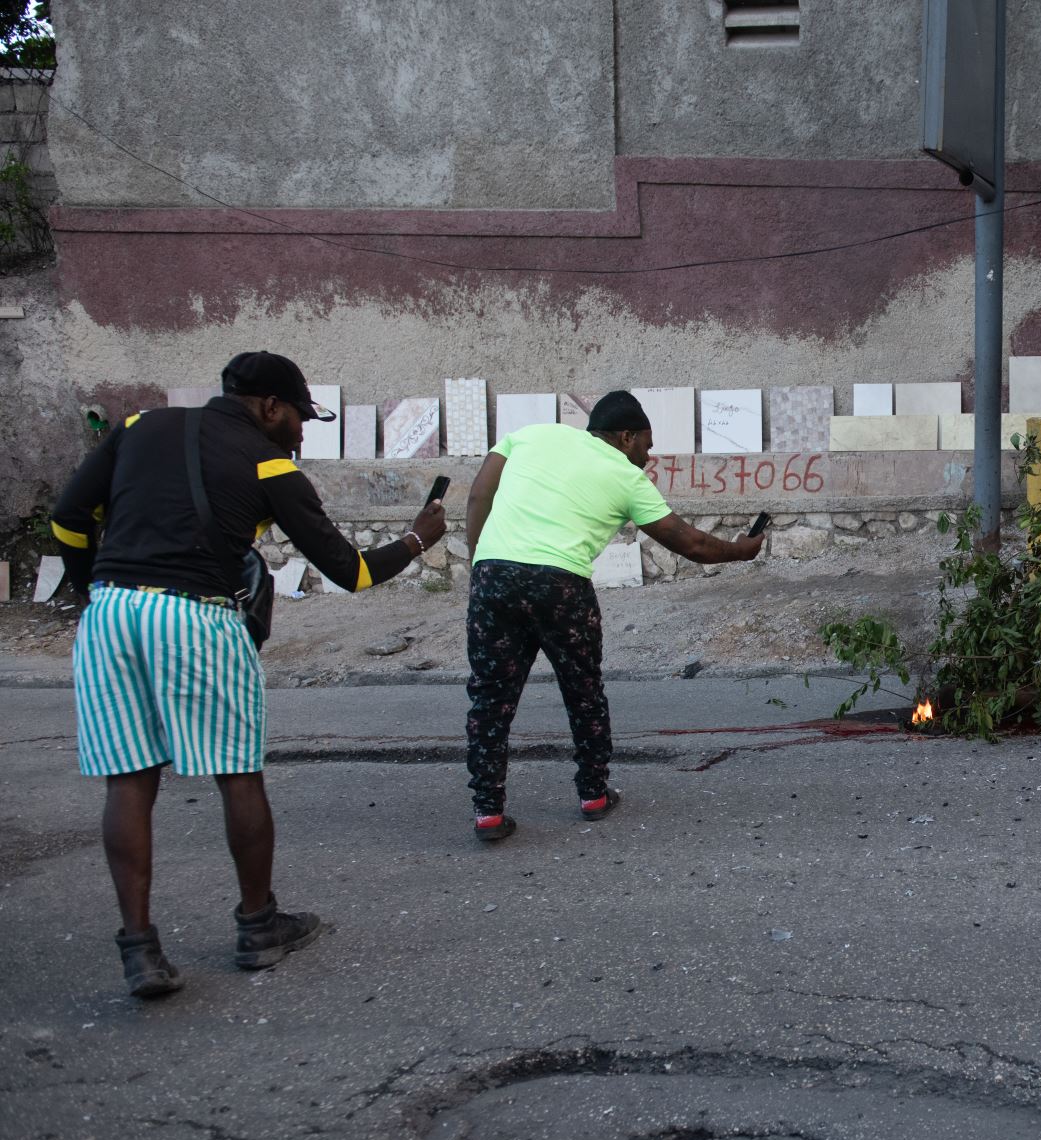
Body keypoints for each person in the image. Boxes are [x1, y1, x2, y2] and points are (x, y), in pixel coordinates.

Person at [51, 351, 447, 998]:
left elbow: (68, 522)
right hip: (197, 617)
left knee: (128, 779)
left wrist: (91, 592)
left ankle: (141, 948)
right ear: (269, 406)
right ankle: (259, 925)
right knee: (237, 775)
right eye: (298, 418)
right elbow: (353, 573)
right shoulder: (269, 466)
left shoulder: (139, 426)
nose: (300, 432)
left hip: (111, 612)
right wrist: (415, 540)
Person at [463, 389, 764, 842]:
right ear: (626, 436)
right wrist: (742, 552)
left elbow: (478, 496)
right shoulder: (626, 477)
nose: (649, 452)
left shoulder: (532, 435)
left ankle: (487, 810)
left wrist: (480, 566)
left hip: (492, 577)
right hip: (561, 585)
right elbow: (693, 545)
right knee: (583, 689)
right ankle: (593, 794)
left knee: (490, 698)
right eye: (646, 442)